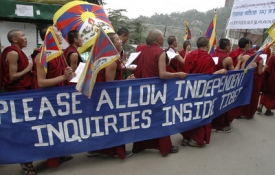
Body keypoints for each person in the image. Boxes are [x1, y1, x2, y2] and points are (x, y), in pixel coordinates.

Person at [133, 29, 187, 156]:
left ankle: (139, 145)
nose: (163, 38)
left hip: (142, 91)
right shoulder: (160, 52)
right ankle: (165, 147)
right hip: (156, 92)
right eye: (162, 37)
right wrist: (178, 74)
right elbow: (162, 74)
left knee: (144, 118)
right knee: (160, 118)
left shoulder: (144, 50)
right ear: (159, 39)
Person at [87, 32, 134, 159]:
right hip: (108, 98)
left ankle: (96, 149)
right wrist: (126, 81)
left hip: (99, 96)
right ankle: (112, 151)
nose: (121, 41)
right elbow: (110, 85)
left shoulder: (107, 57)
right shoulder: (111, 61)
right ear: (111, 44)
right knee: (112, 124)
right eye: (118, 39)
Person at [35, 25, 74, 168]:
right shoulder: (41, 55)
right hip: (49, 99)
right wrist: (62, 77)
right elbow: (41, 82)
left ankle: (61, 153)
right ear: (50, 36)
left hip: (60, 95)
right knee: (51, 129)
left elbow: (61, 75)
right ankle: (52, 159)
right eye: (57, 31)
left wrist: (68, 73)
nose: (60, 33)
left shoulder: (58, 54)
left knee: (62, 127)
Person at [181, 37, 227, 147]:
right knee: (201, 113)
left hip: (189, 88)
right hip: (202, 90)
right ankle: (197, 140)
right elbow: (208, 77)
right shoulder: (207, 58)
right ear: (207, 46)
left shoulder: (190, 55)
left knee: (189, 112)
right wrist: (219, 71)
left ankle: (186, 137)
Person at [0, 29, 34, 174]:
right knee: (21, 129)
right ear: (14, 40)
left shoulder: (19, 52)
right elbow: (13, 76)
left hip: (24, 93)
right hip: (17, 95)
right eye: (22, 36)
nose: (25, 38)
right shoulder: (12, 53)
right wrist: (28, 68)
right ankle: (25, 163)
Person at [211, 38, 241, 133]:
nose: (230, 48)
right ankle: (220, 126)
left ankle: (211, 123)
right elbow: (234, 73)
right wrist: (240, 61)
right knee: (222, 104)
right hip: (222, 85)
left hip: (211, 84)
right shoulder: (227, 58)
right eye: (230, 46)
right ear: (227, 47)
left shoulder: (212, 55)